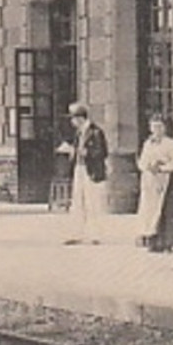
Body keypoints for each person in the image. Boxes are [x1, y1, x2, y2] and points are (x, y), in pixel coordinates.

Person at [136, 114, 173, 253]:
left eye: (159, 126)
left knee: (166, 211)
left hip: (165, 180)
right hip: (150, 181)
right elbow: (142, 162)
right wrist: (148, 167)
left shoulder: (170, 144)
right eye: (154, 126)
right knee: (149, 210)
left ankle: (167, 241)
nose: (157, 130)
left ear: (164, 128)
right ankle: (152, 241)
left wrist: (162, 167)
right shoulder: (148, 143)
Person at [64, 102, 109, 245]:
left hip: (92, 171)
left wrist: (87, 153)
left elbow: (102, 152)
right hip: (79, 169)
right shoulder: (79, 133)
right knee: (77, 202)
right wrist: (72, 151)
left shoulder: (96, 132)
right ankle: (77, 233)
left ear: (80, 118)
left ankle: (95, 234)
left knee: (92, 202)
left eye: (73, 118)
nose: (72, 122)